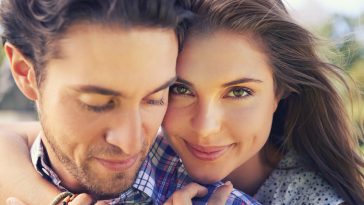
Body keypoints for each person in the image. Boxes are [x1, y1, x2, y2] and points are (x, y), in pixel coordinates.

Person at [1, 0, 364, 204]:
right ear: (24, 72)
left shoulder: (312, 197)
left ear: (280, 91)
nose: (205, 127)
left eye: (239, 92)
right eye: (180, 91)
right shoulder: (155, 155)